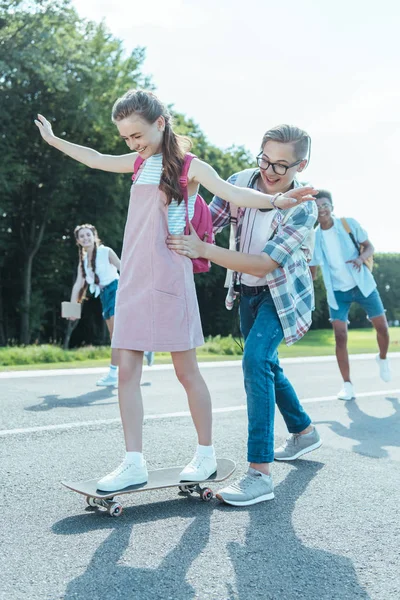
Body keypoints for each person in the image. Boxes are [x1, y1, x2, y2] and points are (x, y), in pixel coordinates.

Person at [35, 90, 315, 493]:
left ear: (160, 123)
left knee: (186, 372)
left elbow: (235, 194)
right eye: (126, 138)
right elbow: (95, 158)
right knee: (126, 372)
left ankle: (204, 455)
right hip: (132, 278)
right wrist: (55, 141)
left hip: (170, 278)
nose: (132, 144)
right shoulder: (136, 164)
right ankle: (133, 462)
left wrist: (275, 199)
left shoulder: (189, 167)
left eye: (137, 134)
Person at [167, 124, 321, 506]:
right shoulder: (239, 183)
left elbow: (263, 263)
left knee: (255, 361)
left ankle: (259, 474)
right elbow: (207, 222)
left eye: (282, 166)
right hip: (246, 293)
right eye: (265, 159)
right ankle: (304, 432)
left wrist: (202, 248)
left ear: (301, 164)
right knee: (266, 364)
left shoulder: (304, 206)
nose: (270, 171)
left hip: (281, 297)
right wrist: (186, 189)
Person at [309, 191, 390, 401]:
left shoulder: (348, 224)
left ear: (332, 206)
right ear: (313, 212)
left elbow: (370, 246)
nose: (322, 209)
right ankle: (347, 385)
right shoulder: (315, 236)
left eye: (325, 204)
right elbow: (313, 266)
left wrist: (361, 259)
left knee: (382, 327)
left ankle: (382, 358)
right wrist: (307, 289)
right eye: (317, 207)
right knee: (340, 336)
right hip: (337, 292)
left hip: (362, 284)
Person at [69, 223, 155, 387]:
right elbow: (78, 285)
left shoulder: (105, 252)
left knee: (116, 336)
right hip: (104, 296)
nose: (85, 238)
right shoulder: (84, 262)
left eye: (88, 234)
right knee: (115, 336)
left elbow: (123, 268)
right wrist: (71, 310)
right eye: (82, 236)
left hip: (116, 290)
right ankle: (145, 348)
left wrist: (138, 290)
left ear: (94, 235)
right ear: (78, 241)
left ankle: (112, 373)